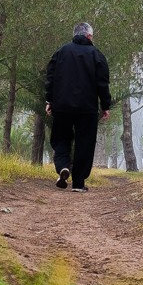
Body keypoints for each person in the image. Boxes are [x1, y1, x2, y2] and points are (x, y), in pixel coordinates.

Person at [44, 22, 111, 192]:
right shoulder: (97, 55)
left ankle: (63, 167)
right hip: (87, 108)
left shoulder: (61, 52)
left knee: (60, 138)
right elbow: (102, 83)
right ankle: (79, 183)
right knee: (85, 143)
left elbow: (50, 77)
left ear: (74, 35)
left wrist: (49, 101)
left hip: (62, 105)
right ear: (89, 36)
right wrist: (105, 105)